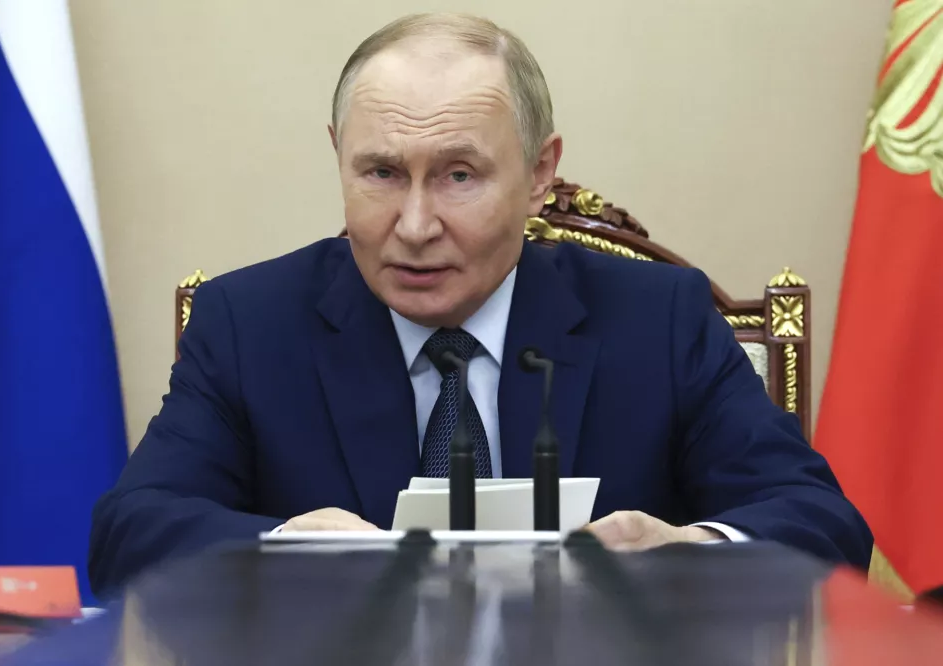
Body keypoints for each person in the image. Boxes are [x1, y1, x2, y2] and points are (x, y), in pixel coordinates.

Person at [88, 12, 872, 598]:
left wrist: (692, 549)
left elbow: (822, 522)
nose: (417, 225)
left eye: (459, 175)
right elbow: (130, 532)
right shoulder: (249, 323)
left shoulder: (657, 319)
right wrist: (285, 543)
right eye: (382, 173)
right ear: (338, 154)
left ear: (539, 172)